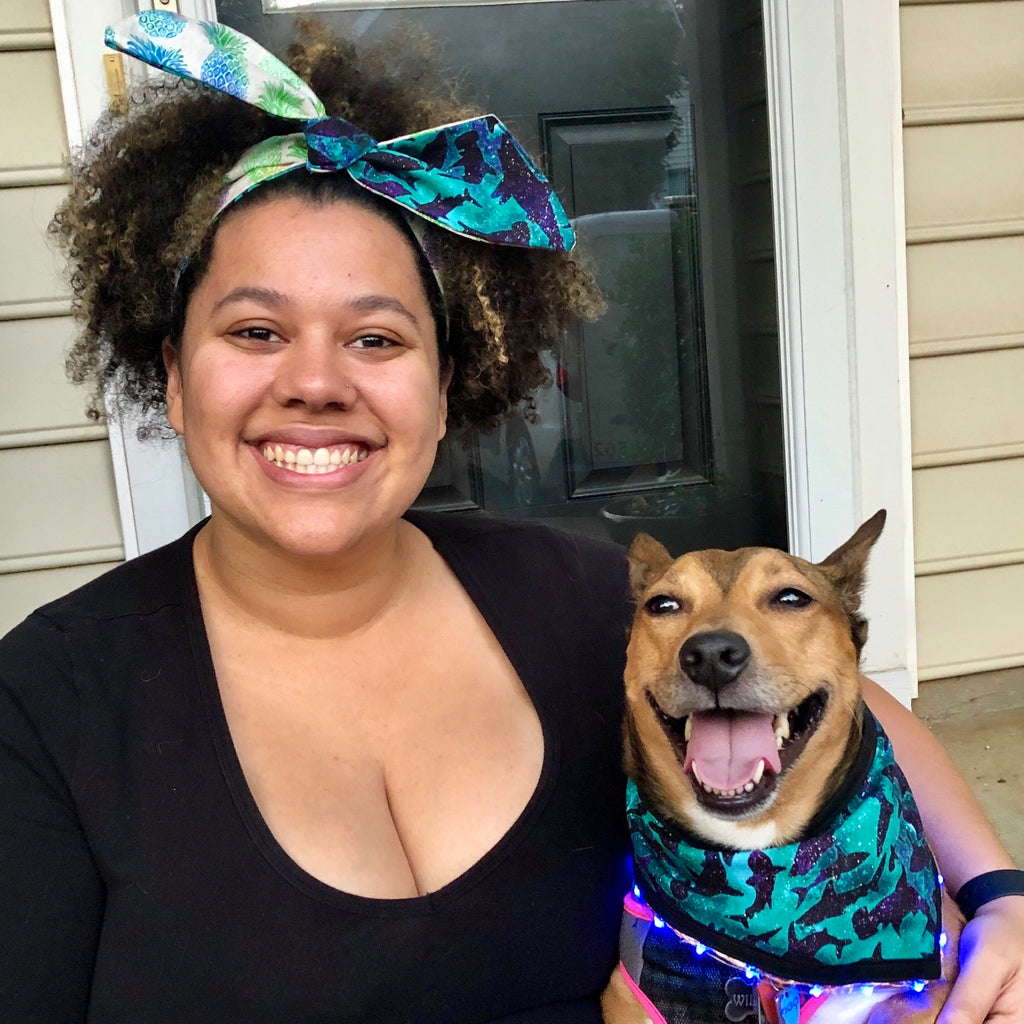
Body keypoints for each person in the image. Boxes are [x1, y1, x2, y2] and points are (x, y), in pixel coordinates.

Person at [0, 10, 1021, 1023]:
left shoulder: (566, 597)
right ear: (173, 376)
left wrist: (997, 901)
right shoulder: (47, 707)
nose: (314, 381)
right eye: (256, 329)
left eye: (377, 339)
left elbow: (828, 684)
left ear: (448, 387)